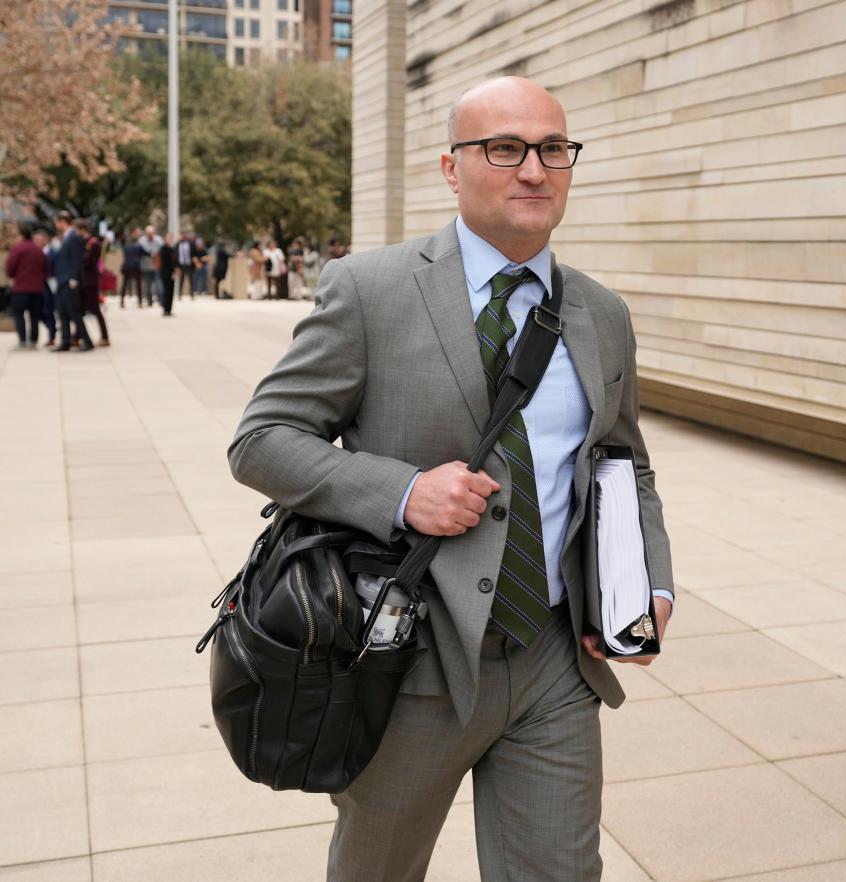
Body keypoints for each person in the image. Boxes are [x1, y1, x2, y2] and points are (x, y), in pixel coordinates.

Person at [228, 76, 674, 882]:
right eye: (504, 148)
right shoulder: (370, 289)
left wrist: (648, 581)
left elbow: (624, 463)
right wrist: (401, 493)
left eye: (553, 149)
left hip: (553, 659)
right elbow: (261, 440)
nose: (534, 170)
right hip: (404, 658)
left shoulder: (602, 314)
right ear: (451, 166)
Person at [51, 211, 92, 352]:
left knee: (74, 312)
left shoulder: (73, 237)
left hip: (69, 281)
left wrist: (74, 279)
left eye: (57, 222)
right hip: (62, 281)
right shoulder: (65, 237)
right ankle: (65, 341)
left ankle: (87, 341)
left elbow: (76, 260)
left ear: (62, 221)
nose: (56, 226)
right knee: (62, 313)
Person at [5, 224, 49, 348]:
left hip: (21, 288)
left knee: (18, 314)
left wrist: (13, 276)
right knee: (34, 315)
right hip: (37, 288)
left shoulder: (17, 248)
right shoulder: (38, 249)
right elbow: (46, 268)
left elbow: (10, 267)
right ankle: (34, 341)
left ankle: (23, 340)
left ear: (21, 235)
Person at [76, 219, 110, 347]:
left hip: (90, 281)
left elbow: (87, 260)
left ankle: (105, 337)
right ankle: (76, 336)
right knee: (79, 309)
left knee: (95, 309)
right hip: (84, 281)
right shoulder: (83, 242)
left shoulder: (93, 243)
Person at [34, 228, 58, 345]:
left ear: (46, 240)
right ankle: (52, 329)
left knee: (48, 310)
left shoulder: (53, 253)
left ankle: (52, 334)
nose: (37, 242)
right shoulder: (33, 252)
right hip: (37, 285)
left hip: (49, 285)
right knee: (38, 311)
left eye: (40, 239)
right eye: (36, 240)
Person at [120, 228, 144, 308]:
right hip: (135, 266)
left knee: (124, 285)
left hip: (127, 266)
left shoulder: (126, 245)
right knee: (138, 285)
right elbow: (144, 253)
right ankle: (140, 302)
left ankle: (122, 302)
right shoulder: (138, 245)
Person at [138, 225, 162, 308]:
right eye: (148, 234)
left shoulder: (158, 240)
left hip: (156, 266)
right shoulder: (141, 241)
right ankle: (149, 301)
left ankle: (160, 300)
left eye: (151, 233)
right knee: (147, 285)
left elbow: (161, 251)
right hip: (146, 266)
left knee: (158, 284)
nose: (150, 235)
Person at [157, 236, 176, 316]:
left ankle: (169, 309)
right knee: (166, 291)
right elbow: (167, 262)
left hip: (171, 273)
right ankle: (165, 309)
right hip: (165, 273)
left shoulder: (172, 249)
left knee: (171, 292)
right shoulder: (163, 249)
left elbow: (175, 261)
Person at [175, 232, 197, 300]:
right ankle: (180, 294)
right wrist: (177, 266)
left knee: (191, 280)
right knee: (181, 280)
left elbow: (194, 253)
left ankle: (192, 294)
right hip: (181, 265)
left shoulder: (190, 244)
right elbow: (175, 255)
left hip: (189, 264)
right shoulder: (177, 244)